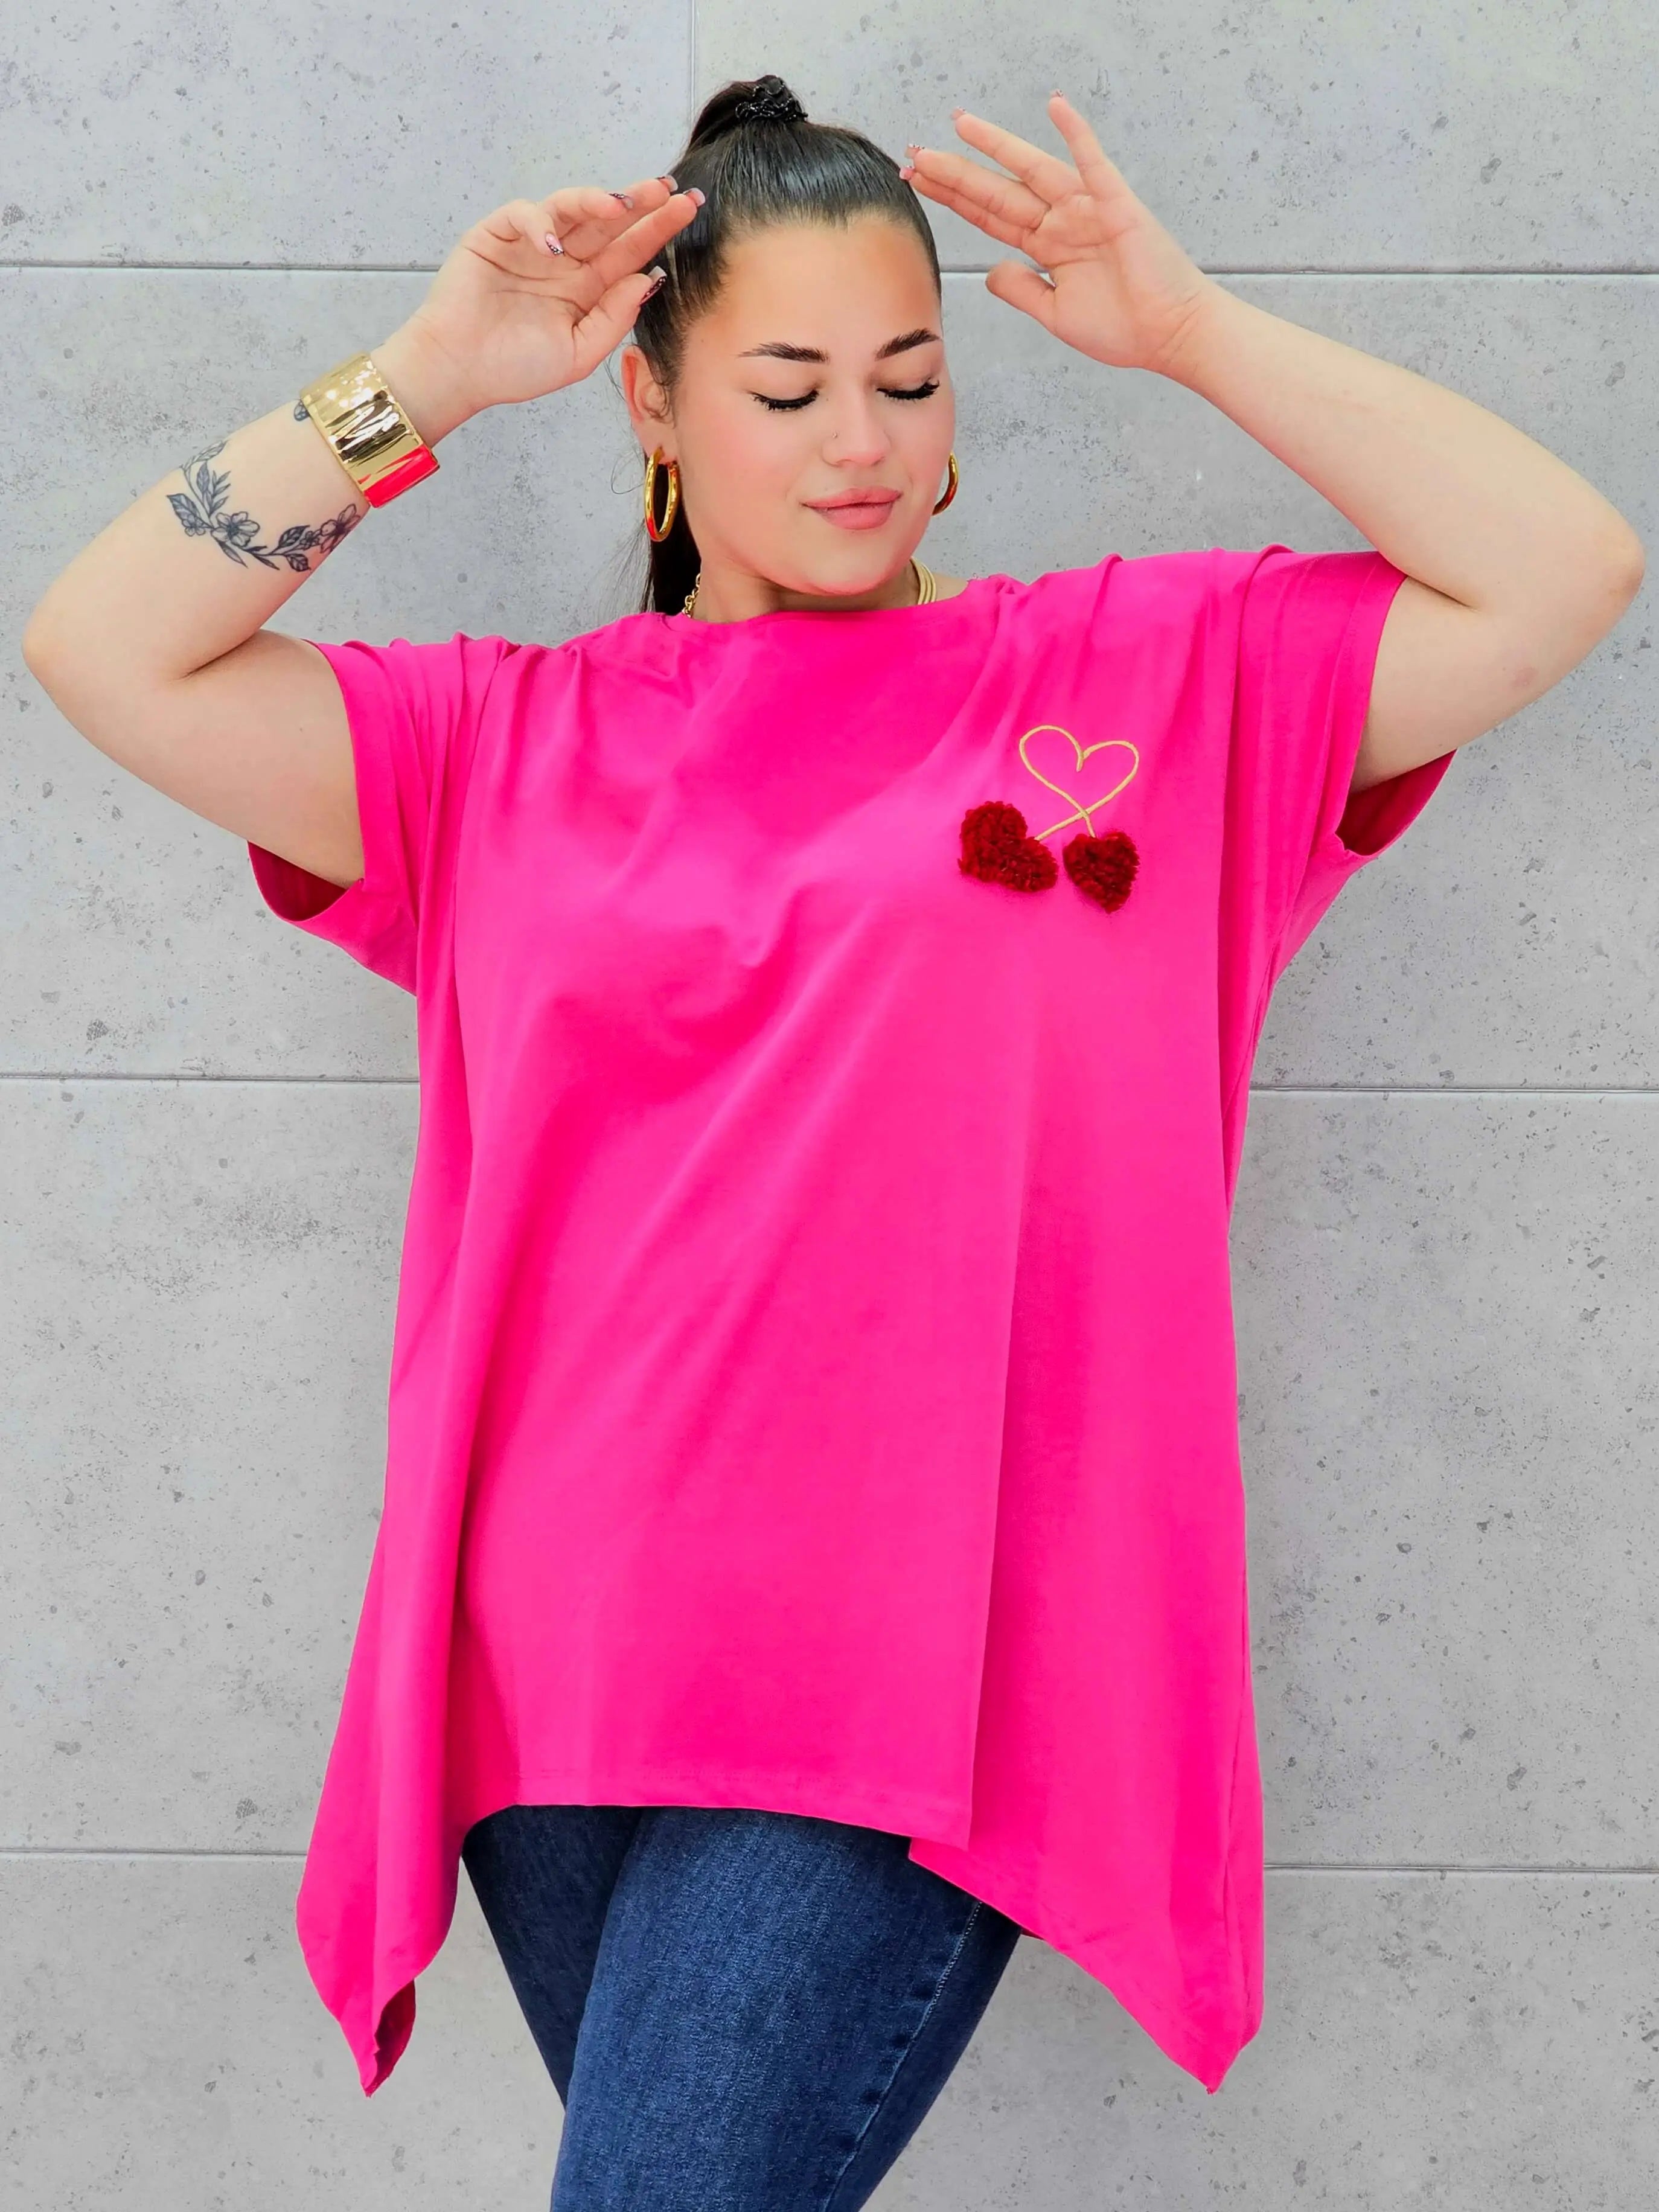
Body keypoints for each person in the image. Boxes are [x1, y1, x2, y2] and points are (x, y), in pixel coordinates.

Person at [22, 65, 1642, 2212]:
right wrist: (427, 375)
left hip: (914, 1680)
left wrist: (1187, 330)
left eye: (905, 375)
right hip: (560, 1667)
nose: (860, 442)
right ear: (653, 404)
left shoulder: (1144, 681)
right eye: (786, 389)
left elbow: (1559, 568)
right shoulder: (493, 740)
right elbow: (104, 646)